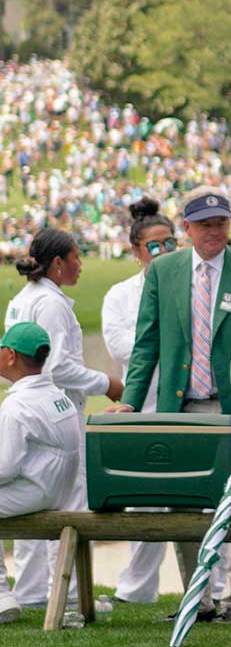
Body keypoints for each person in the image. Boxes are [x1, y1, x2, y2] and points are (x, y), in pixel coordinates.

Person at [110, 186, 231, 623]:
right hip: (181, 406)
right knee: (182, 501)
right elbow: (146, 343)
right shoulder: (163, 272)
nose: (214, 232)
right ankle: (198, 598)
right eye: (205, 225)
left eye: (221, 223)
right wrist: (131, 402)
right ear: (186, 229)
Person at [3, 229, 123, 608]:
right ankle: (67, 596)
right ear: (58, 263)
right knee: (68, 503)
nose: (80, 264)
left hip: (31, 409)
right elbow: (56, 367)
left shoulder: (21, 299)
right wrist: (107, 382)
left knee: (33, 502)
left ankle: (32, 591)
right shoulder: (52, 305)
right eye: (76, 257)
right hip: (54, 413)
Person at [100, 199, 176, 604]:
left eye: (170, 244)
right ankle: (137, 589)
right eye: (154, 246)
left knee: (196, 497)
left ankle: (211, 592)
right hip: (141, 402)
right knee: (146, 499)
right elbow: (124, 348)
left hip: (186, 401)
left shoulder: (188, 284)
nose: (163, 252)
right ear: (136, 251)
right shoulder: (120, 295)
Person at [0, 323, 83, 624]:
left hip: (40, 491)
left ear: (10, 356)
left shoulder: (17, 405)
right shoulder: (56, 394)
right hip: (60, 487)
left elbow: (5, 468)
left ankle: (0, 596)